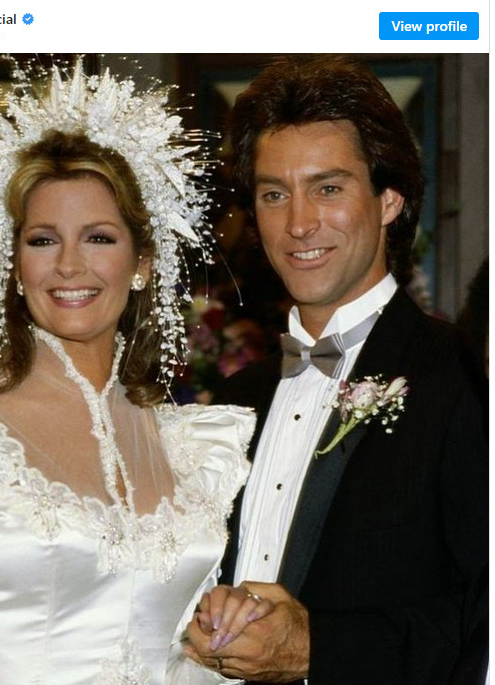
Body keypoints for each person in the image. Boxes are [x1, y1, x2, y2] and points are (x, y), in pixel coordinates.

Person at [0, 59, 260, 684]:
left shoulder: (196, 449)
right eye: (43, 240)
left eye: (99, 238)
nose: (69, 265)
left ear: (142, 262)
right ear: (15, 266)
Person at [183, 55, 488, 684]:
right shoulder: (234, 401)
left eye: (328, 189)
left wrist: (317, 649)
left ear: (389, 200)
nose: (298, 224)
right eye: (274, 194)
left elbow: (479, 622)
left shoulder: (464, 379)